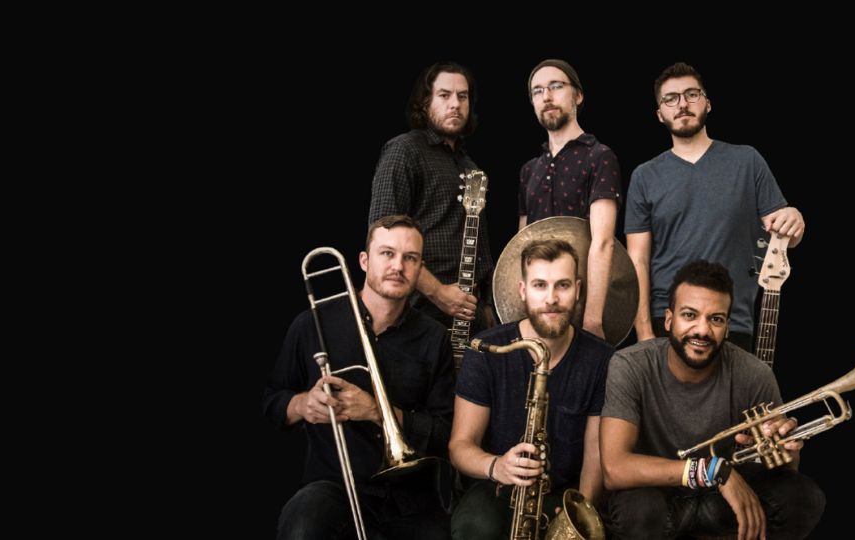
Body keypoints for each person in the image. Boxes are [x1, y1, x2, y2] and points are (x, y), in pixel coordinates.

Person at [599, 260, 824, 539]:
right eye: (689, 315)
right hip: (660, 500)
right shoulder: (630, 365)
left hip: (721, 505)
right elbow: (614, 468)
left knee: (802, 497)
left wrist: (787, 451)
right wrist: (713, 470)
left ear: (727, 327)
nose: (702, 331)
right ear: (668, 319)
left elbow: (785, 471)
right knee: (637, 510)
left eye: (715, 319)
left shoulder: (754, 373)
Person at [264, 215, 454, 540]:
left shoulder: (434, 338)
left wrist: (377, 412)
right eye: (387, 253)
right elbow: (272, 402)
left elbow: (445, 433)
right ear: (364, 261)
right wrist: (302, 404)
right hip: (334, 485)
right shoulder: (313, 323)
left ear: (420, 268)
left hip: (409, 497)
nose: (398, 266)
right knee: (302, 525)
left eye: (410, 258)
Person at [625, 62, 806, 351]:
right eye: (671, 98)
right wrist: (644, 332)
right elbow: (638, 261)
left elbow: (783, 235)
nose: (682, 104)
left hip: (733, 319)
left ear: (707, 104)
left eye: (691, 94)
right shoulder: (644, 176)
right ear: (660, 114)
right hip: (668, 320)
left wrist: (795, 220)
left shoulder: (747, 161)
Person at [448, 239, 613, 539]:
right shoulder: (486, 350)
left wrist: (576, 518)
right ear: (523, 291)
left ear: (578, 289)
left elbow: (594, 457)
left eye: (562, 285)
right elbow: (460, 446)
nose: (551, 299)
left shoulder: (601, 359)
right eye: (540, 285)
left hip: (563, 494)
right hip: (496, 486)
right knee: (474, 527)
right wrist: (497, 466)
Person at [369, 61, 495, 332]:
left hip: (471, 314)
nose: (455, 104)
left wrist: (486, 309)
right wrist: (438, 292)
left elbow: (480, 244)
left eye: (463, 96)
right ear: (425, 103)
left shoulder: (471, 167)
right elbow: (382, 235)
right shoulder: (404, 151)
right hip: (420, 312)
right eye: (444, 95)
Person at [519, 58, 622, 340]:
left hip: (582, 303)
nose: (546, 96)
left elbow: (603, 242)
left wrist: (592, 319)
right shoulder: (529, 170)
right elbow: (522, 245)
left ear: (578, 95)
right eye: (537, 91)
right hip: (540, 305)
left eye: (556, 86)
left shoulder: (599, 157)